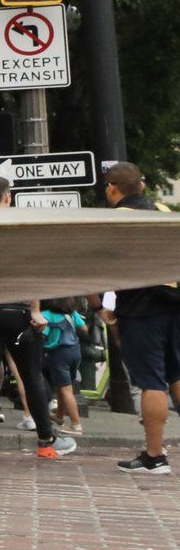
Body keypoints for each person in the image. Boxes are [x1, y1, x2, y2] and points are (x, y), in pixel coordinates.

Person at [0, 176, 66, 462]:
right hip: (17, 310)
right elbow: (33, 270)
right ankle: (45, 441)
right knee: (30, 375)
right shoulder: (22, 226)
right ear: (8, 197)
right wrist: (35, 310)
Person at [102, 160, 177, 473]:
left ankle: (154, 456)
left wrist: (106, 304)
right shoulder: (163, 210)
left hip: (141, 310)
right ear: (143, 186)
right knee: (175, 375)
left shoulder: (115, 220)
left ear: (112, 188)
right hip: (174, 304)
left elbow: (108, 265)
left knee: (151, 382)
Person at [41, 297, 88, 440]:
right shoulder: (71, 314)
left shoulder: (46, 315)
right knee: (64, 386)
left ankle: (76, 425)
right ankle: (59, 416)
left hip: (58, 353)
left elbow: (43, 334)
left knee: (66, 389)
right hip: (75, 351)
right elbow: (84, 328)